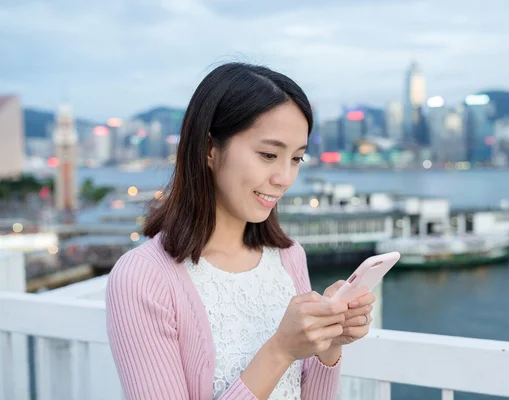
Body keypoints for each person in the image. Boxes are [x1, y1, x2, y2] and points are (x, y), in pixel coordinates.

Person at [105, 62, 375, 400]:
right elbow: (281, 355)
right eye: (268, 154)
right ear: (208, 149)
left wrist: (328, 344)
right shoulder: (143, 277)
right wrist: (279, 351)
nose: (285, 178)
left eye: (296, 159)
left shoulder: (289, 257)